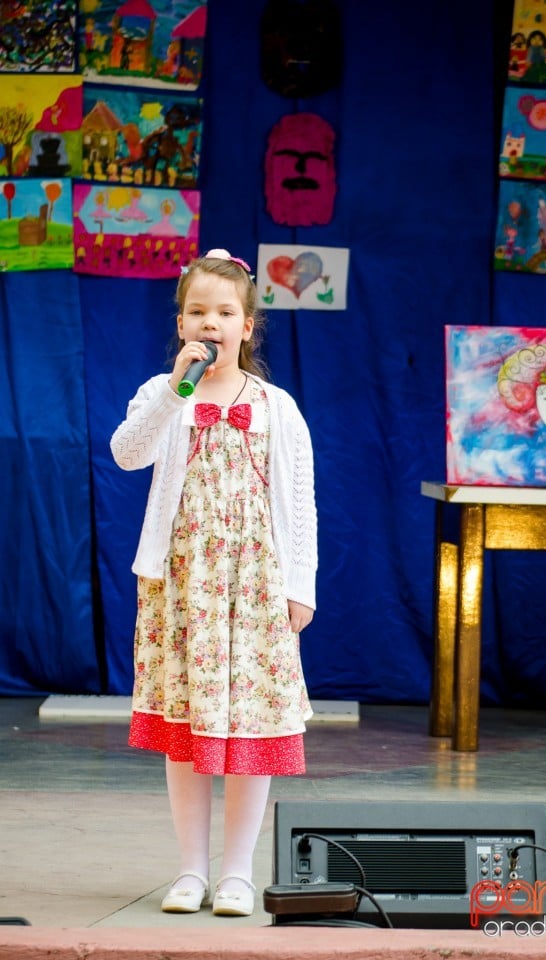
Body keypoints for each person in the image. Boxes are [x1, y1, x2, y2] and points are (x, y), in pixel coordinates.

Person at [110, 248, 318, 918]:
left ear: (248, 325)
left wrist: (301, 585)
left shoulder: (277, 408)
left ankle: (235, 873)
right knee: (187, 725)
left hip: (254, 587)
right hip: (186, 585)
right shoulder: (165, 393)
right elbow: (127, 452)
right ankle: (191, 871)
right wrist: (176, 391)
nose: (212, 321)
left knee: (248, 727)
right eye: (198, 311)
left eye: (225, 311)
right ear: (181, 325)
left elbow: (301, 500)